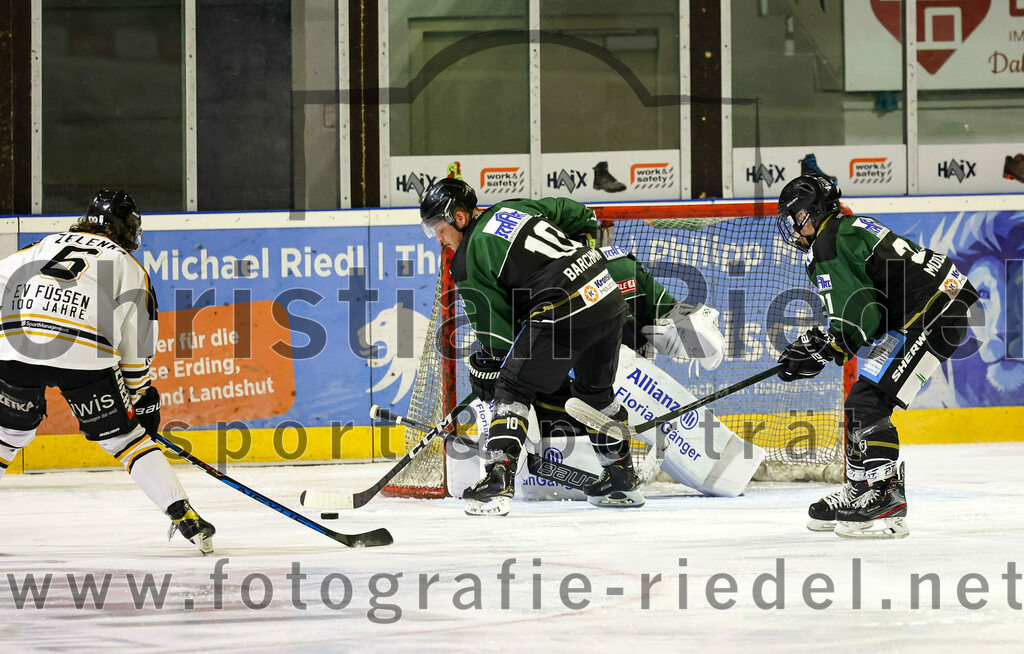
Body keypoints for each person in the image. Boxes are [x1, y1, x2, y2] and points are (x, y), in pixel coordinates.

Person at [0, 189, 216, 554]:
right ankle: (185, 517)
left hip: (15, 345)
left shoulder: (42, 245)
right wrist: (139, 395)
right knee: (126, 440)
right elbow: (136, 345)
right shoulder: (129, 266)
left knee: (7, 436)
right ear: (125, 228)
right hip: (83, 353)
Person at [775, 174, 978, 539]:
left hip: (933, 311)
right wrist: (828, 343)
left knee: (869, 400)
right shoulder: (847, 227)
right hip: (935, 304)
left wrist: (829, 346)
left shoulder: (827, 244)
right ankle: (860, 489)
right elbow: (872, 304)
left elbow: (862, 316)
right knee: (860, 401)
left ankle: (886, 495)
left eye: (798, 216)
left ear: (816, 210)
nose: (794, 227)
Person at [420, 178, 637, 516]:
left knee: (513, 386)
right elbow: (579, 213)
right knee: (596, 394)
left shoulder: (466, 259)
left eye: (438, 225)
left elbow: (499, 339)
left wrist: (492, 367)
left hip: (563, 306)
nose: (437, 235)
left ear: (459, 217)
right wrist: (578, 255)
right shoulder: (512, 207)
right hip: (606, 294)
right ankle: (621, 476)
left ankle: (497, 480)